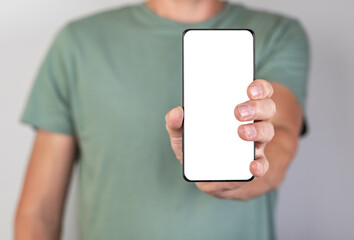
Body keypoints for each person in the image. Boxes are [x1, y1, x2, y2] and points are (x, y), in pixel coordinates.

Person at [15, 0, 309, 239]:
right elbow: (38, 214)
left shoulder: (278, 34)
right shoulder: (77, 43)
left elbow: (280, 140)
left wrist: (237, 176)